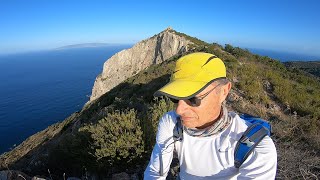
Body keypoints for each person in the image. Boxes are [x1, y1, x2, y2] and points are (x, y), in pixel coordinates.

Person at [144, 52, 277, 179]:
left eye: (192, 99)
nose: (179, 110)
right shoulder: (171, 123)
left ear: (223, 92)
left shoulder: (255, 147)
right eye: (175, 98)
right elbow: (156, 172)